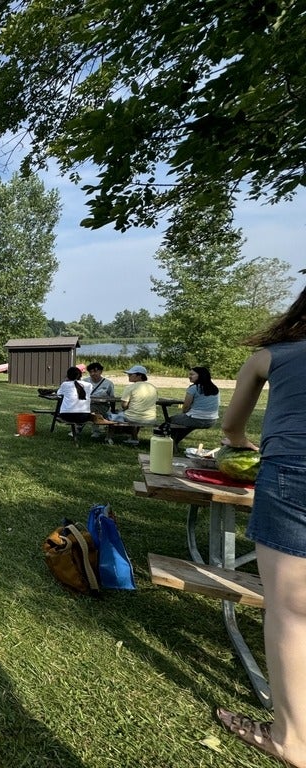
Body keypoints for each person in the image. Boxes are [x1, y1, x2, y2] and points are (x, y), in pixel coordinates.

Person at [215, 286, 306, 768]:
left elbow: (232, 427)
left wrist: (245, 445)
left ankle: (291, 738)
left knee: (292, 611)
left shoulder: (272, 356)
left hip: (293, 473)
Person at [164, 366, 220, 447]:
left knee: (170, 420)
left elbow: (186, 407)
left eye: (192, 374)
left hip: (196, 419)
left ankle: (168, 444)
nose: (189, 376)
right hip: (212, 420)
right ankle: (174, 443)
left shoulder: (194, 388)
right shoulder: (215, 389)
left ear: (200, 375)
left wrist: (183, 415)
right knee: (185, 426)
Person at [106, 365, 158, 445]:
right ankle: (134, 438)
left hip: (133, 417)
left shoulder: (130, 387)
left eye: (131, 375)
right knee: (129, 414)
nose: (128, 376)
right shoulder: (153, 387)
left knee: (110, 416)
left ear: (139, 376)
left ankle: (109, 438)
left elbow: (124, 405)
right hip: (150, 418)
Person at [56, 366, 93, 436]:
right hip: (84, 416)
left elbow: (58, 394)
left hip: (67, 415)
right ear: (81, 375)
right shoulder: (89, 385)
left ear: (68, 376)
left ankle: (74, 431)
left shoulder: (65, 384)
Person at [84, 362, 115, 437]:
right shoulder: (85, 381)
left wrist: (113, 410)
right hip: (87, 404)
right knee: (91, 409)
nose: (93, 374)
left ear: (100, 371)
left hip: (102, 406)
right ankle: (94, 431)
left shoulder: (108, 383)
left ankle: (78, 429)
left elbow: (112, 398)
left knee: (91, 410)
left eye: (95, 371)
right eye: (90, 372)